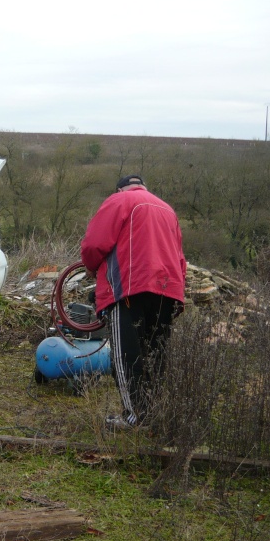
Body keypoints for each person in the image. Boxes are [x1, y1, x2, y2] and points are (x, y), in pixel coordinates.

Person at [80, 174, 186, 430]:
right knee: (155, 354)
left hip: (128, 290)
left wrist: (91, 268)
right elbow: (180, 257)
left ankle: (135, 418)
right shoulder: (167, 210)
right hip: (167, 292)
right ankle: (155, 414)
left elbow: (94, 245)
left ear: (120, 189)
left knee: (126, 356)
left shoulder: (119, 201)